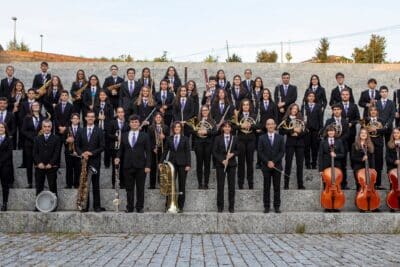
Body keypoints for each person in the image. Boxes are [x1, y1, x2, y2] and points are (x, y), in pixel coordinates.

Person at [115, 115, 151, 213]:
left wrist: (148, 165)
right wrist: (117, 157)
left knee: (140, 188)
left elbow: (148, 152)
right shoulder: (124, 135)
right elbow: (120, 149)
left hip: (141, 166)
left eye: (136, 122)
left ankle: (139, 207)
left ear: (139, 123)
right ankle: (129, 207)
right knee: (129, 188)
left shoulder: (145, 135)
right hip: (127, 165)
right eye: (132, 122)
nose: (134, 123)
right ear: (129, 123)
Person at [75, 111, 105, 212]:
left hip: (95, 161)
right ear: (86, 118)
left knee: (95, 184)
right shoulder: (80, 131)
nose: (91, 118)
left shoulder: (99, 131)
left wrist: (91, 153)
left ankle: (97, 206)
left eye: (92, 117)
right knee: (84, 184)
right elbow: (76, 145)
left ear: (95, 118)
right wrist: (83, 153)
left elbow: (102, 146)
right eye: (89, 116)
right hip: (84, 161)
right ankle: (85, 206)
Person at [162, 122, 191, 213]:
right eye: (175, 127)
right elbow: (166, 151)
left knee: (182, 185)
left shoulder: (185, 139)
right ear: (173, 129)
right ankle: (168, 205)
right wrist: (160, 162)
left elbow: (188, 152)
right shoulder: (169, 138)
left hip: (183, 164)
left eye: (179, 127)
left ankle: (180, 206)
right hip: (171, 164)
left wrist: (188, 164)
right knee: (170, 185)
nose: (177, 128)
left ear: (181, 128)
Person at [33, 119, 61, 211]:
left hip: (51, 167)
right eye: (45, 126)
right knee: (39, 186)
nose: (47, 128)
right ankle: (38, 206)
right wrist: (39, 163)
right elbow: (34, 153)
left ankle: (54, 205)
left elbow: (57, 153)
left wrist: (51, 163)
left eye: (49, 126)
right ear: (42, 127)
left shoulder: (56, 138)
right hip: (39, 167)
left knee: (52, 186)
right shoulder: (37, 138)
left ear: (51, 127)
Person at [258, 119, 285, 213]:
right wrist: (267, 162)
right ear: (266, 126)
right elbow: (260, 152)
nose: (270, 126)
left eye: (272, 124)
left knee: (277, 187)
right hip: (266, 166)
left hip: (277, 166)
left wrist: (273, 161)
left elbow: (282, 152)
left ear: (275, 125)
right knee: (266, 187)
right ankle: (266, 206)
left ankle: (277, 206)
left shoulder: (280, 138)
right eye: (268, 124)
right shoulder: (261, 138)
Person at [212, 121, 238, 213]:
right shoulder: (217, 138)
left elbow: (238, 150)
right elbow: (215, 151)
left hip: (232, 164)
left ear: (231, 128)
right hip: (221, 164)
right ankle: (220, 206)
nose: (227, 128)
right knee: (220, 186)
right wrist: (222, 160)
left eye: (228, 127)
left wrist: (232, 154)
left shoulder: (235, 138)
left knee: (231, 186)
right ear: (222, 128)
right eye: (225, 127)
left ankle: (231, 206)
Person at [318, 125, 345, 212]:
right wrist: (321, 170)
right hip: (326, 165)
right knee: (327, 185)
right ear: (327, 132)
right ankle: (327, 205)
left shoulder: (339, 141)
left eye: (332, 131)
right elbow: (320, 156)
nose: (331, 132)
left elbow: (343, 154)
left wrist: (336, 155)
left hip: (336, 166)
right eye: (329, 131)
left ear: (335, 132)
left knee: (336, 184)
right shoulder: (323, 142)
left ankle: (336, 205)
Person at [278, 103, 306, 189]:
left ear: (298, 110)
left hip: (300, 144)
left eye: (296, 109)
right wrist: (292, 131)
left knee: (300, 164)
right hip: (290, 144)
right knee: (288, 164)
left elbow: (305, 132)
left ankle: (300, 184)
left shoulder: (301, 119)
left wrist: (298, 133)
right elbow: (281, 132)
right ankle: (286, 185)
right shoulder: (286, 119)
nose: (294, 110)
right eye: (293, 108)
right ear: (290, 109)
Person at [324, 104, 350, 189]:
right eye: (334, 109)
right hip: (331, 146)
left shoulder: (345, 121)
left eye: (338, 109)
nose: (336, 111)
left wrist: (339, 140)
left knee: (343, 165)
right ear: (332, 111)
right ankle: (331, 183)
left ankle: (343, 184)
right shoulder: (329, 121)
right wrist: (334, 140)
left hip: (342, 146)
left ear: (341, 110)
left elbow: (347, 133)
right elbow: (325, 132)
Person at [234, 99, 257, 189]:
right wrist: (241, 126)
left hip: (251, 140)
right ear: (242, 106)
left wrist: (251, 125)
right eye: (244, 105)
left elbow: (259, 125)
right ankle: (240, 184)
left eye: (247, 105)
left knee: (250, 162)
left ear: (249, 106)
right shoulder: (238, 115)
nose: (246, 106)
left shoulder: (254, 115)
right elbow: (233, 126)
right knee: (241, 163)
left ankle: (250, 184)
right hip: (241, 141)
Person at [191, 105, 216, 189]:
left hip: (208, 144)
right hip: (198, 144)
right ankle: (199, 183)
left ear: (208, 111)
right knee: (199, 164)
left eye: (206, 110)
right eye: (203, 110)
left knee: (207, 164)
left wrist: (206, 132)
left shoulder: (212, 121)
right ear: (201, 112)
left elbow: (215, 132)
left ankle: (206, 183)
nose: (204, 112)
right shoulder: (196, 120)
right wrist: (198, 131)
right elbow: (192, 132)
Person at [21, 101, 45, 188]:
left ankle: (40, 182)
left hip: (40, 145)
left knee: (39, 163)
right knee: (29, 164)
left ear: (40, 107)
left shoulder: (43, 118)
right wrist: (33, 137)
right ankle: (30, 183)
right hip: (29, 144)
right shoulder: (27, 118)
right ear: (31, 107)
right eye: (34, 105)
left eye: (37, 105)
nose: (35, 106)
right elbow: (23, 130)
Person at [107, 107, 129, 189]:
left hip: (124, 148)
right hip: (114, 148)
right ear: (116, 113)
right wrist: (116, 137)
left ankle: (123, 184)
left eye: (122, 112)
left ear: (124, 113)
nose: (120, 114)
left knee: (124, 166)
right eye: (118, 112)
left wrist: (123, 138)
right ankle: (114, 184)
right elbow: (108, 134)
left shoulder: (127, 123)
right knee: (115, 167)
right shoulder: (112, 122)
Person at [363, 106, 385, 189]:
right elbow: (363, 131)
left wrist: (376, 130)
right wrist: (368, 129)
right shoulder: (366, 120)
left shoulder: (381, 120)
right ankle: (369, 183)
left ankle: (378, 184)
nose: (373, 111)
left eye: (375, 110)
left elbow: (386, 130)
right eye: (371, 110)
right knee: (369, 163)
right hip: (369, 143)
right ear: (369, 112)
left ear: (377, 112)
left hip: (378, 144)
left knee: (378, 164)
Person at [302, 91, 323, 169]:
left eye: (312, 96)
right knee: (306, 148)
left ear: (314, 98)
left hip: (315, 130)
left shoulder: (318, 106)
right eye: (309, 96)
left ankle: (314, 163)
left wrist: (320, 129)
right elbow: (301, 119)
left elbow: (320, 119)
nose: (311, 97)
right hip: (306, 131)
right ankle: (307, 164)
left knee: (315, 148)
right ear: (307, 97)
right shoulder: (304, 106)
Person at [148, 112, 169, 189]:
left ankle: (161, 183)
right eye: (157, 117)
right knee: (153, 166)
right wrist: (153, 147)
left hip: (162, 149)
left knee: (162, 166)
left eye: (159, 117)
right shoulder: (150, 128)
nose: (158, 119)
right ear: (154, 118)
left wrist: (164, 137)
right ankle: (152, 185)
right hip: (153, 149)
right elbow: (149, 140)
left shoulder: (166, 127)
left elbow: (168, 140)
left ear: (162, 119)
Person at [93, 90, 114, 168]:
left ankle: (107, 164)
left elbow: (112, 119)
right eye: (101, 95)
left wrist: (106, 119)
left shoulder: (110, 106)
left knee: (107, 147)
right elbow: (91, 117)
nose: (102, 96)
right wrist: (98, 117)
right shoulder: (95, 106)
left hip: (106, 129)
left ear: (106, 96)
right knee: (96, 146)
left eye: (104, 95)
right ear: (99, 96)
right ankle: (95, 163)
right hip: (97, 129)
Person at [339, 88, 360, 154]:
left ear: (349, 95)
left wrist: (352, 123)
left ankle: (352, 164)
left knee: (352, 151)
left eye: (346, 94)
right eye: (343, 94)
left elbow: (358, 118)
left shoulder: (354, 106)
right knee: (342, 151)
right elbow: (333, 118)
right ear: (341, 95)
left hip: (351, 132)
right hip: (341, 133)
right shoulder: (337, 105)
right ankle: (343, 164)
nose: (345, 96)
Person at [64, 113, 81, 189]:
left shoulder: (82, 129)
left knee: (78, 169)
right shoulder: (67, 129)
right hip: (69, 152)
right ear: (71, 120)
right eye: (74, 118)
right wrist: (67, 140)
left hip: (78, 153)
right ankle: (69, 184)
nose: (75, 120)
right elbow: (62, 140)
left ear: (79, 120)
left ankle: (77, 184)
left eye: (77, 118)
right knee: (69, 169)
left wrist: (78, 151)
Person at [0, 122, 14, 211]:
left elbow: (9, 153)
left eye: (2, 127)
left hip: (5, 166)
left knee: (5, 185)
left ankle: (5, 203)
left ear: (5, 129)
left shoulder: (9, 140)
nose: (0, 129)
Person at [9, 80, 25, 149]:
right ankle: (13, 146)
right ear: (15, 86)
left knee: (21, 131)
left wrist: (19, 105)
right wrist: (13, 105)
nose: (19, 87)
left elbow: (26, 105)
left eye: (20, 86)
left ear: (22, 87)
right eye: (17, 85)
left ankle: (20, 146)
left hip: (21, 116)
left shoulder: (25, 95)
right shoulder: (11, 94)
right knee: (13, 130)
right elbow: (7, 104)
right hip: (13, 115)